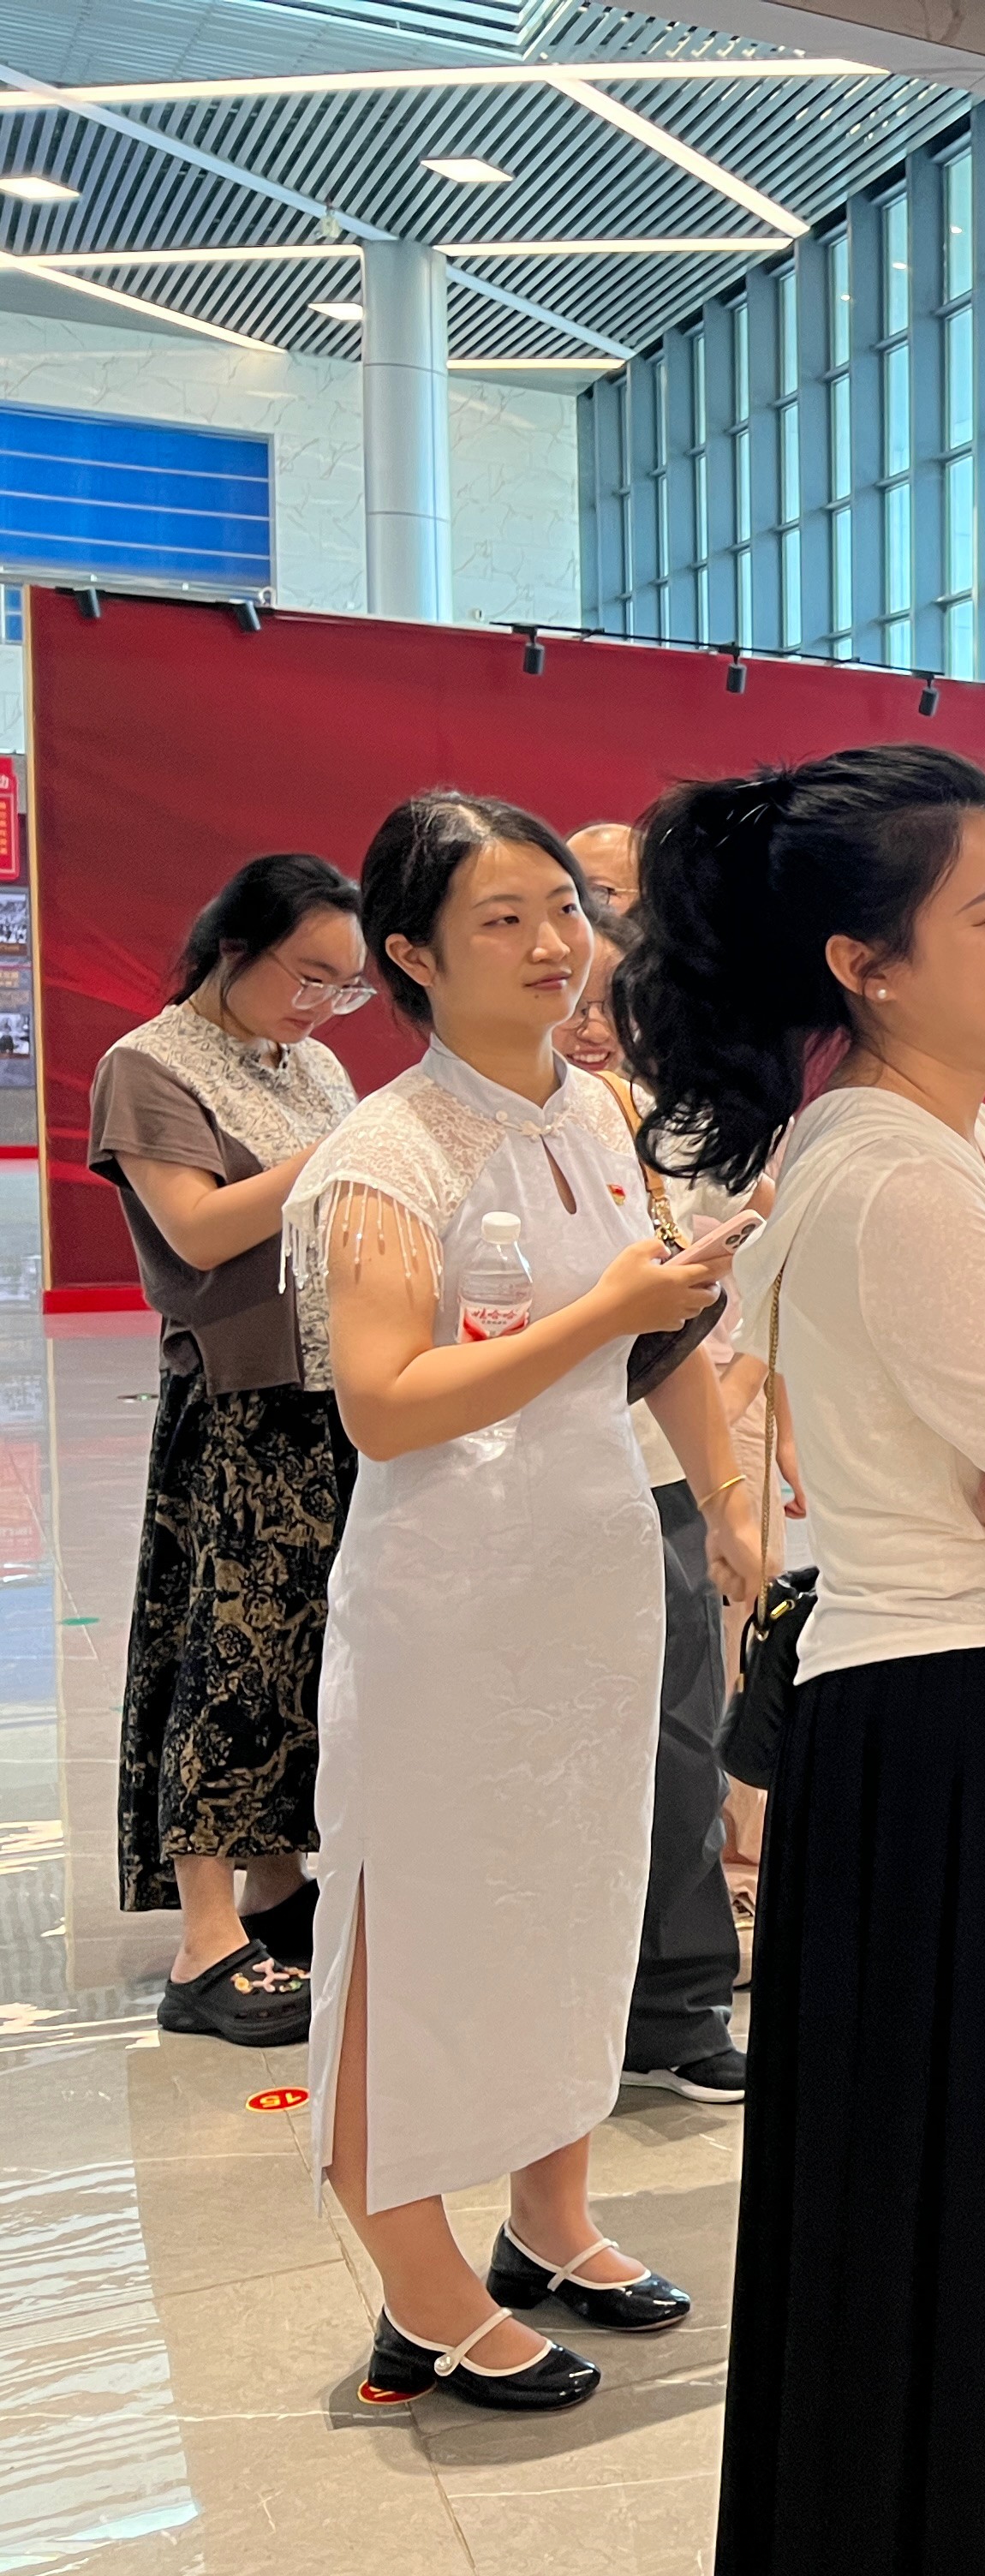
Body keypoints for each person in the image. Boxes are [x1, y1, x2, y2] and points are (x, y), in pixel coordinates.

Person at [625, 745, 985, 2576]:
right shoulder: (896, 1182)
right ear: (866, 964)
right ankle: (953, 2523)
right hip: (946, 1715)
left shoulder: (962, 1139)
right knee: (967, 2141)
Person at [288, 791, 749, 2414]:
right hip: (447, 1604)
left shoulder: (604, 1111)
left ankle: (549, 2213)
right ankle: (416, 2277)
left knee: (578, 1895)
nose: (558, 943)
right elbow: (386, 1403)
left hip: (592, 1567)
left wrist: (732, 1513)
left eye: (566, 908)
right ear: (411, 953)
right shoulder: (387, 1153)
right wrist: (602, 1315)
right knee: (415, 1922)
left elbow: (664, 1331)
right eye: (506, 918)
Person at [93, 852, 366, 2046]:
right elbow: (197, 1230)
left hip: (337, 1388)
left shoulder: (313, 1066)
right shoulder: (149, 1065)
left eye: (346, 987)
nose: (323, 1007)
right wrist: (350, 1155)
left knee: (310, 1650)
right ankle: (205, 1944)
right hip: (242, 1404)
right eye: (307, 976)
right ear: (232, 948)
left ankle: (277, 1888)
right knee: (226, 1660)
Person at [555, 911, 767, 2093]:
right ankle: (544, 2018)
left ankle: (677, 2009)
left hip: (657, 1473)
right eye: (569, 1000)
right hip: (513, 1489)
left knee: (683, 1743)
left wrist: (727, 1495)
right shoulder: (431, 1139)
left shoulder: (652, 1123)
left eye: (608, 1004)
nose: (586, 1025)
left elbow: (694, 1317)